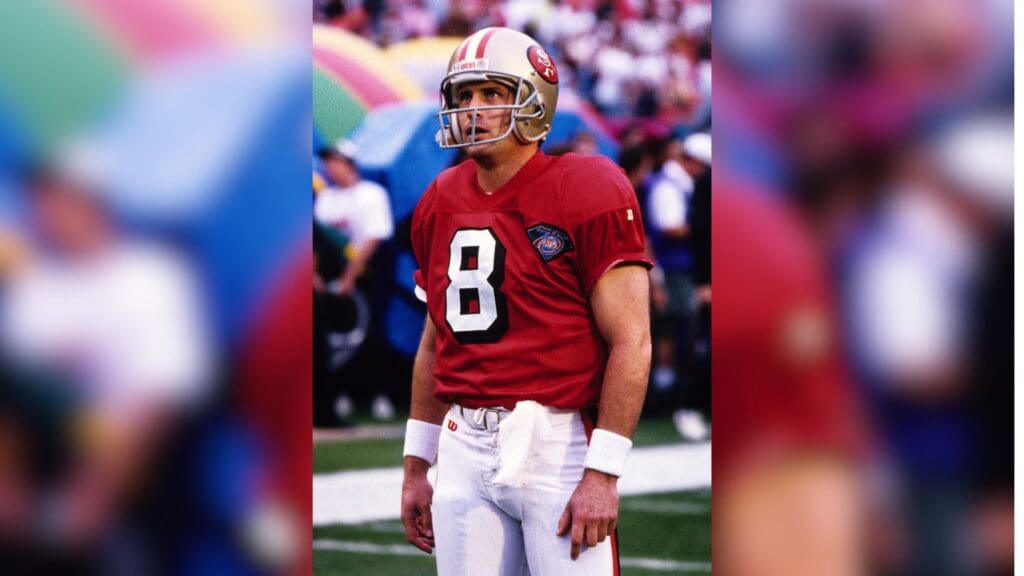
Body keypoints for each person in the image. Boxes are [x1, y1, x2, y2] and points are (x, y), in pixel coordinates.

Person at [399, 27, 652, 575]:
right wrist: (417, 464)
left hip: (556, 441)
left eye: (492, 93)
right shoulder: (438, 199)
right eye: (463, 97)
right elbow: (433, 341)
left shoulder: (586, 185)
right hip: (463, 441)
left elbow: (632, 340)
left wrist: (603, 472)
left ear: (536, 98)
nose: (473, 110)